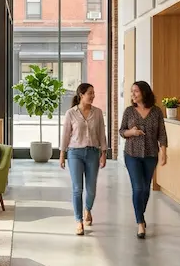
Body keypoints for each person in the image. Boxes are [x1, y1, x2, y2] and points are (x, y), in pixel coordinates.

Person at [119, 81, 168, 239]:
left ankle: (141, 214)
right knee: (138, 188)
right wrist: (131, 132)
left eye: (136, 91)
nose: (133, 94)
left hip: (150, 155)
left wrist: (164, 153)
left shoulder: (156, 112)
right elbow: (121, 131)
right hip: (132, 154)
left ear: (144, 93)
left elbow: (162, 134)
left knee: (146, 189)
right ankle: (140, 222)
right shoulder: (129, 111)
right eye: (132, 91)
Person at [59, 83, 107, 236]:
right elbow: (66, 135)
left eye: (93, 93)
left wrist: (104, 153)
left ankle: (88, 209)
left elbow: (101, 134)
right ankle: (79, 221)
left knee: (91, 189)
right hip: (75, 153)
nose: (93, 96)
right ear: (81, 94)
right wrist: (62, 155)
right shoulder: (71, 113)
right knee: (77, 188)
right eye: (90, 93)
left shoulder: (98, 113)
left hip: (93, 152)